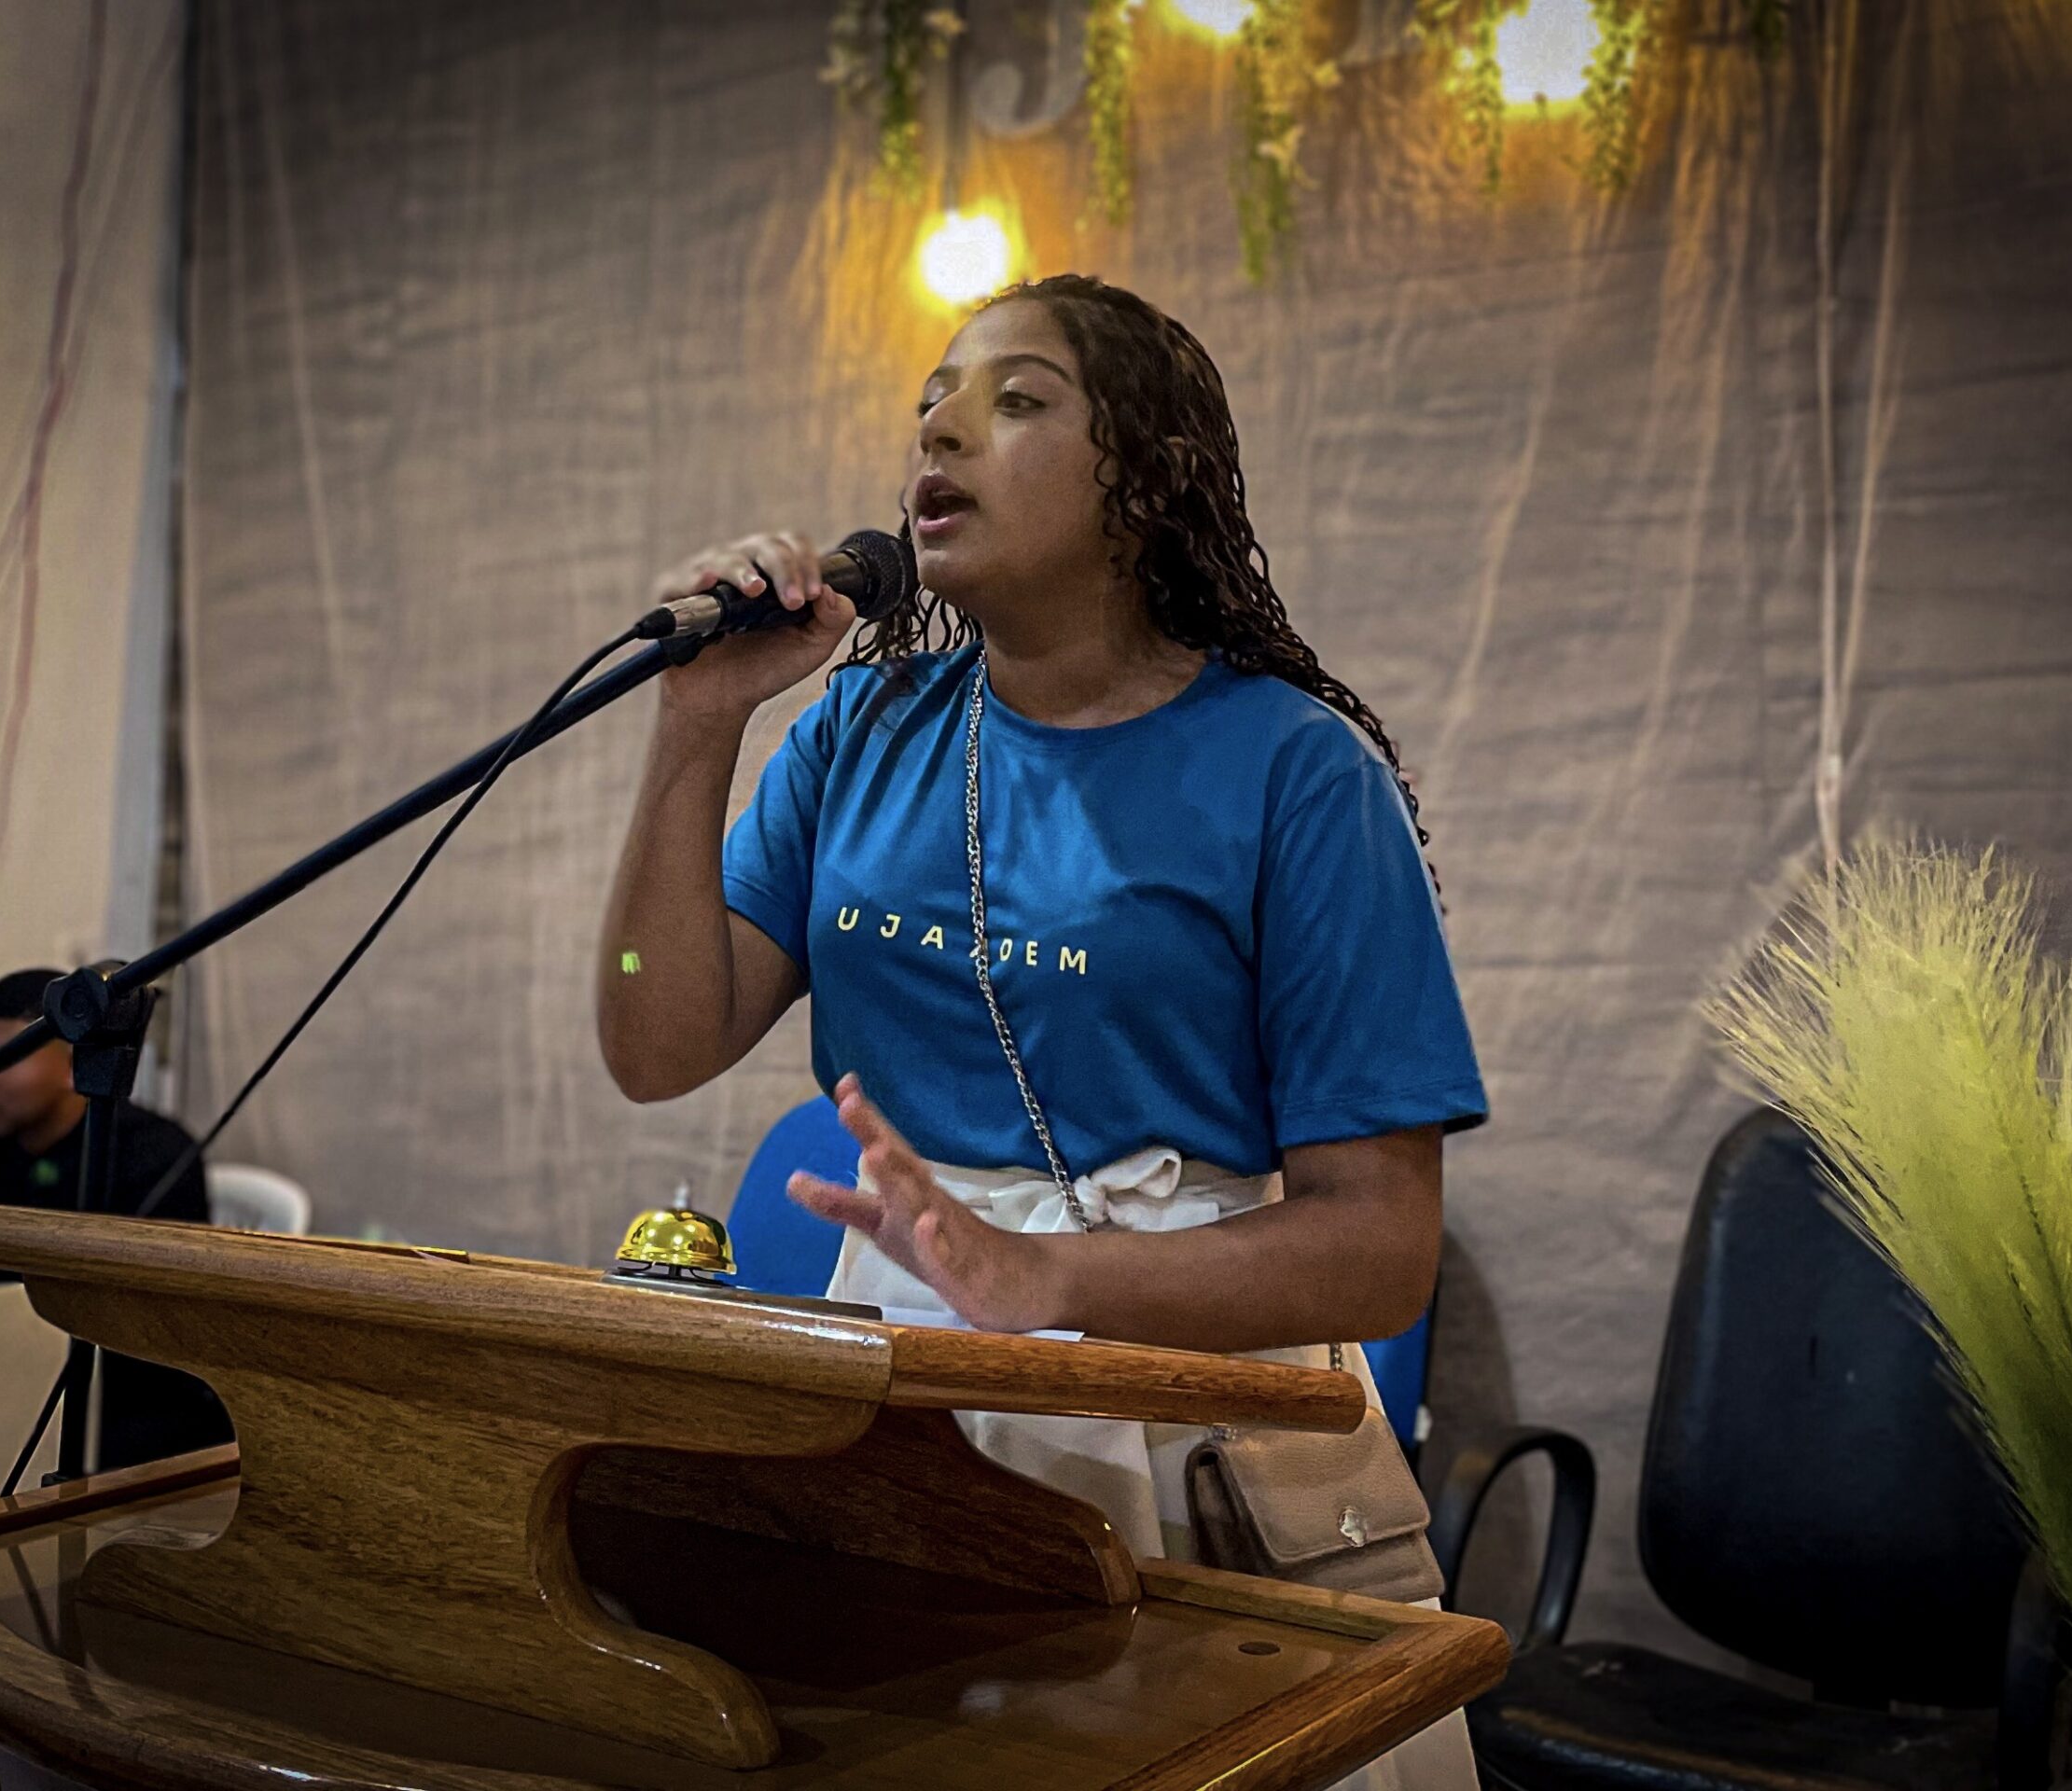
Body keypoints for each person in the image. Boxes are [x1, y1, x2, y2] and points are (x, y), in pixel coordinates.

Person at [597, 275, 1486, 1786]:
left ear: (1146, 480)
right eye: (933, 400)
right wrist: (697, 730)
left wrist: (1053, 1278)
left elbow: (1381, 1246)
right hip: (905, 1408)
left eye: (1017, 399)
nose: (943, 427)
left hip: (1191, 1409)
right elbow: (652, 1039)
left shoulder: (1294, 773)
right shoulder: (859, 732)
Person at [0, 967, 233, 1471]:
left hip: (130, 1411)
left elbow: (146, 1338)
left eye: (5, 1058)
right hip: (9, 1384)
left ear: (73, 1063)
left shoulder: (153, 1153)